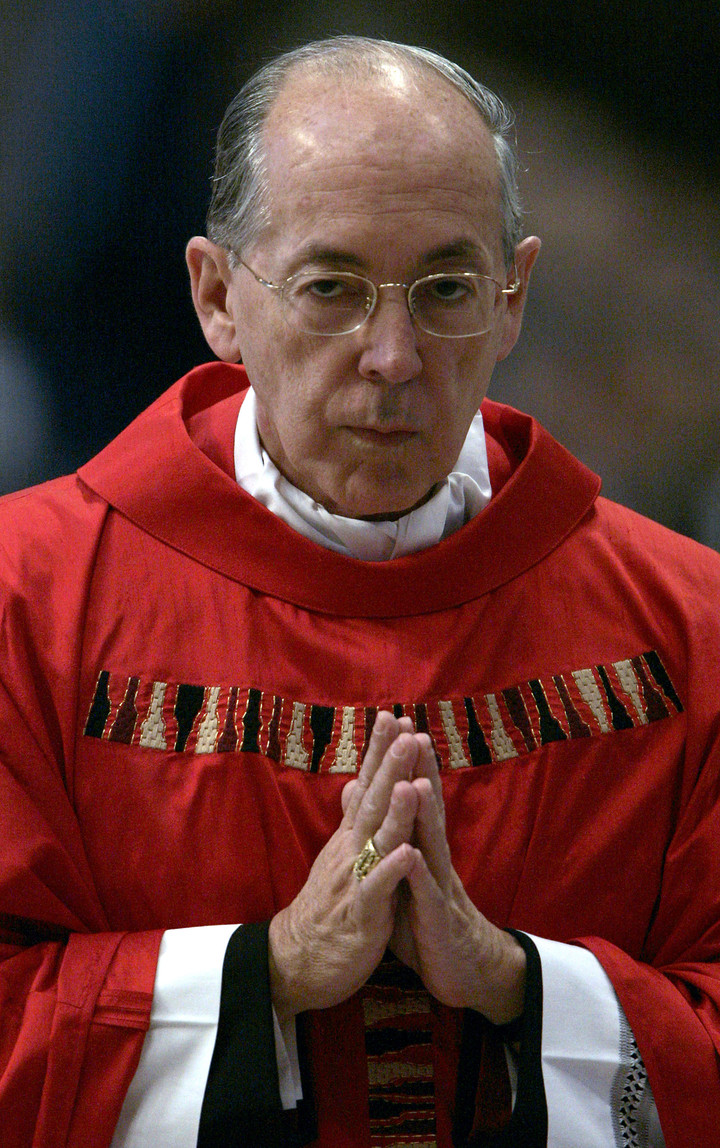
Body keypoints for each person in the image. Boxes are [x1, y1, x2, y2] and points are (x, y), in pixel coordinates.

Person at [0, 34, 718, 1148]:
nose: (392, 354)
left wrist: (523, 984)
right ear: (217, 296)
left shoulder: (687, 627)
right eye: (333, 287)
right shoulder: (25, 606)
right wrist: (265, 974)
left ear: (515, 294)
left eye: (445, 289)